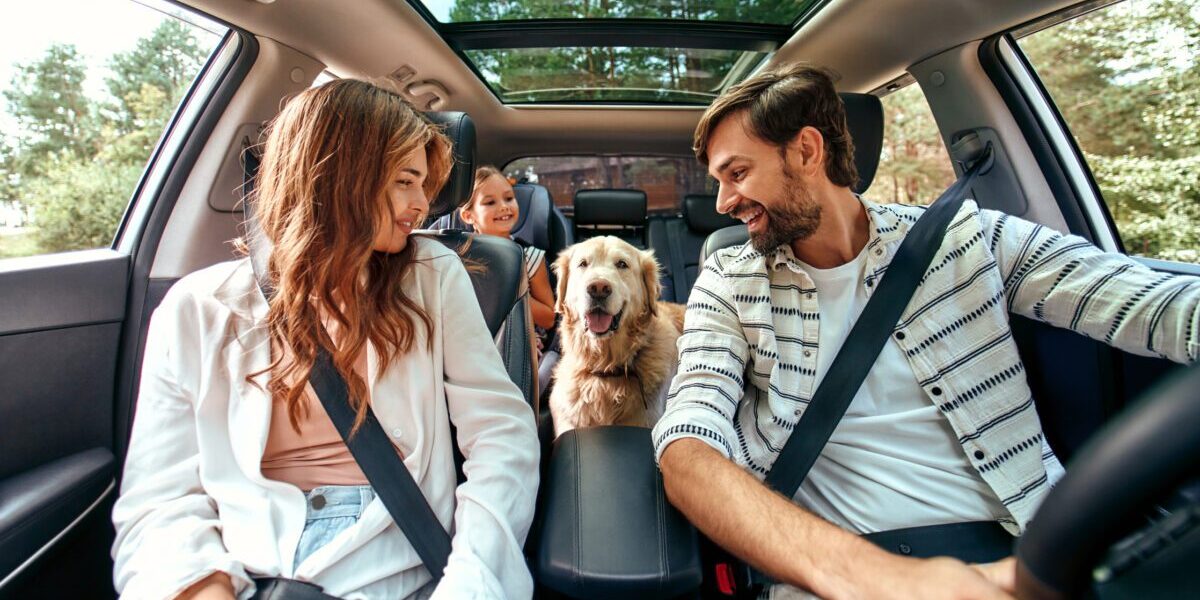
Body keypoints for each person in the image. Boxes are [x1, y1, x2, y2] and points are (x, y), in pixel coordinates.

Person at [652, 63, 1199, 599]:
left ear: (806, 151)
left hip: (1030, 555)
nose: (723, 203)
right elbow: (688, 442)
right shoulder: (728, 279)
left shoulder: (968, 238)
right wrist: (873, 578)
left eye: (738, 173)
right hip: (837, 571)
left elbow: (1149, 302)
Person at [112, 79, 539, 599]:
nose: (422, 206)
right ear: (339, 175)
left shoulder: (432, 273)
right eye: (406, 181)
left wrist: (472, 581)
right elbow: (159, 498)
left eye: (425, 185)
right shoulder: (196, 308)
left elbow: (500, 434)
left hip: (399, 561)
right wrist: (201, 584)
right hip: (249, 564)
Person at [459, 165, 557, 339]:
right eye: (490, 202)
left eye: (509, 198)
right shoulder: (458, 257)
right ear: (468, 216)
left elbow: (549, 319)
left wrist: (508, 291)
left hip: (519, 343)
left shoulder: (530, 257)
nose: (504, 206)